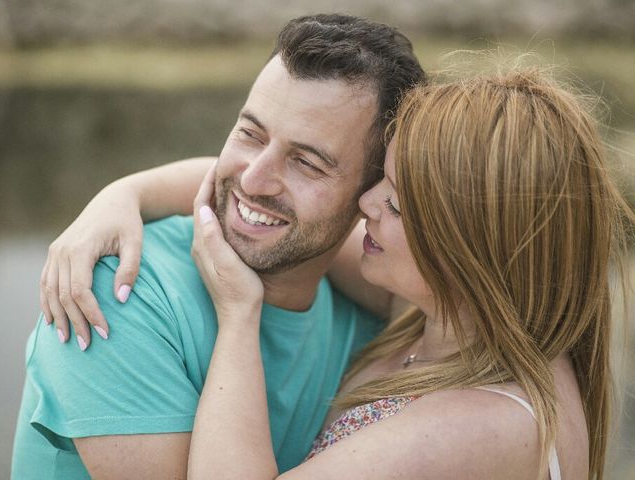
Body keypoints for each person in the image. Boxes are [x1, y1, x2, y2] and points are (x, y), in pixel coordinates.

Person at [33, 61, 633, 479]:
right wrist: (125, 194)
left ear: (472, 247)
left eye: (394, 202)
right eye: (376, 184)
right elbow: (261, 190)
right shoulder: (459, 320)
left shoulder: (479, 425)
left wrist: (238, 315)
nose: (365, 206)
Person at [12, 14, 425, 479]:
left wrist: (132, 191)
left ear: (369, 195)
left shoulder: (378, 305)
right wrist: (125, 192)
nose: (253, 178)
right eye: (250, 133)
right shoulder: (115, 292)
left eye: (306, 163)